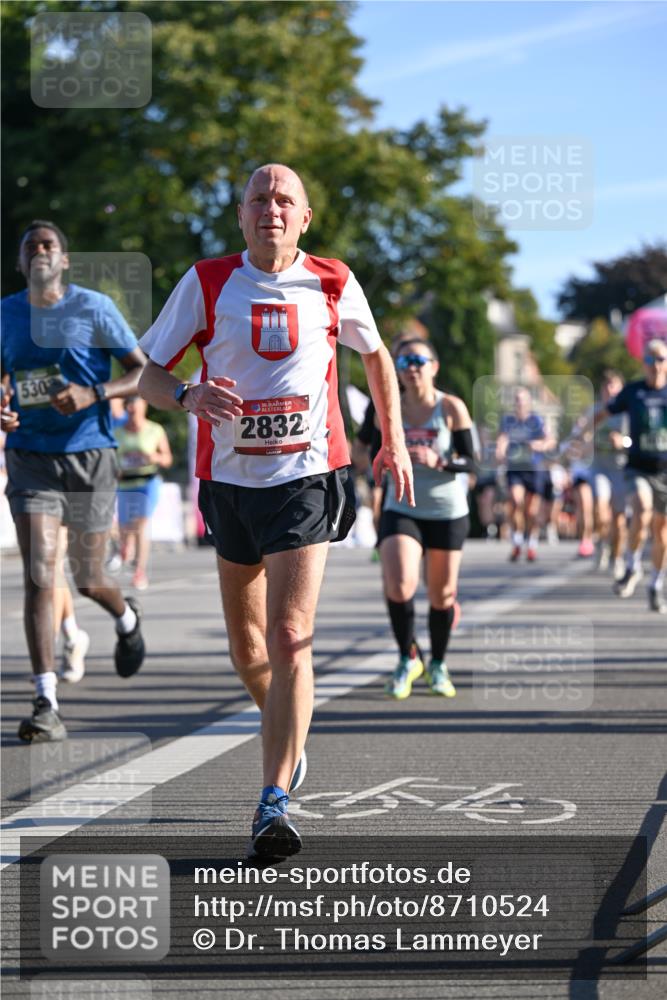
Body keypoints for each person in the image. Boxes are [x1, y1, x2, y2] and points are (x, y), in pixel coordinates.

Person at [137, 164, 413, 859]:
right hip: (228, 482)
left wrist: (393, 441)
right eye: (259, 198)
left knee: (291, 636)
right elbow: (148, 372)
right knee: (248, 649)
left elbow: (376, 356)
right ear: (241, 214)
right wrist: (188, 397)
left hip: (307, 475)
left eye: (283, 199)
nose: (271, 209)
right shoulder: (206, 282)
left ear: (304, 216)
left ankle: (272, 803)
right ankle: (285, 731)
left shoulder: (332, 279)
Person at [1, 220, 147, 742]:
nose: (40, 251)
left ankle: (125, 614)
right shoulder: (6, 314)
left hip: (89, 454)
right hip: (30, 458)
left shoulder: (93, 308)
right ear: (20, 264)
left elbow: (142, 372)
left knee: (85, 578)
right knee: (41, 575)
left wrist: (94, 394)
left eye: (50, 245)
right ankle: (46, 701)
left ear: (63, 261)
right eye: (30, 246)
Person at [371, 339, 475, 699]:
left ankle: (439, 664)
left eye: (418, 360)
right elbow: (370, 455)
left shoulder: (450, 408)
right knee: (399, 584)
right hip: (402, 506)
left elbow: (472, 462)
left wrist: (440, 462)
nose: (411, 368)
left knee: (442, 595)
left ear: (434, 366)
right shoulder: (388, 407)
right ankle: (407, 656)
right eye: (403, 361)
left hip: (446, 510)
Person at [596, 340, 667, 611]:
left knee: (661, 534)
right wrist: (581, 435)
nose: (656, 366)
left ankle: (656, 584)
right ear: (643, 364)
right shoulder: (633, 391)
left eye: (660, 359)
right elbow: (603, 412)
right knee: (642, 508)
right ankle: (632, 564)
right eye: (650, 360)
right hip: (638, 467)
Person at [115, 395, 173, 590]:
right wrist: (118, 467)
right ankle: (125, 545)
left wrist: (153, 457)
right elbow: (110, 462)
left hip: (148, 482)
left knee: (141, 523)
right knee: (125, 529)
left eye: (136, 407)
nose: (132, 411)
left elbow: (167, 459)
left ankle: (139, 571)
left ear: (144, 407)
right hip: (125, 484)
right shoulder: (117, 433)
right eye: (129, 407)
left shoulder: (155, 430)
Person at [495, 387, 555, 562]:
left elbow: (550, 440)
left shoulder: (537, 420)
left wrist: (540, 445)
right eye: (517, 400)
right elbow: (502, 439)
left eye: (523, 400)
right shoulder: (508, 420)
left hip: (534, 468)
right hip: (515, 468)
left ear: (528, 403)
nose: (520, 404)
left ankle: (531, 544)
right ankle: (517, 541)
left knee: (531, 510)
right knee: (515, 501)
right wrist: (500, 451)